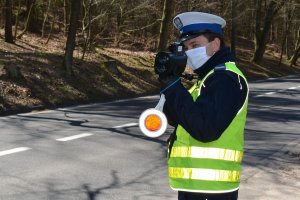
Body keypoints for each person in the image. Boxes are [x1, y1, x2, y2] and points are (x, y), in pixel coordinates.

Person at [156, 12, 249, 200]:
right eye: (186, 47)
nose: (190, 52)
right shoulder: (208, 77)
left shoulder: (225, 79)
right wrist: (170, 81)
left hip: (211, 190)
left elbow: (205, 129)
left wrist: (173, 86)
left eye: (195, 45)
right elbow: (182, 118)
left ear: (215, 45)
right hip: (199, 186)